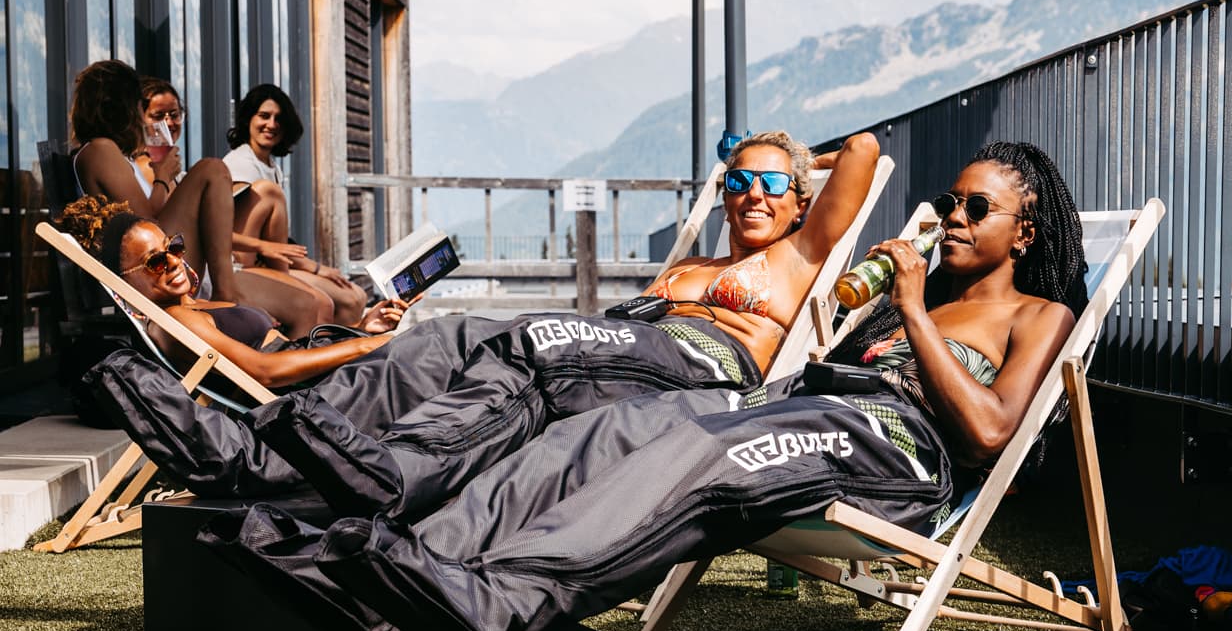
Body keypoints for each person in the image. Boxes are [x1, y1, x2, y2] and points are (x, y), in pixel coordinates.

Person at [211, 143, 1087, 631]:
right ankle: (396, 575)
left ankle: (505, 597)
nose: (956, 216)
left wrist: (904, 307)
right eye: (950, 201)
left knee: (697, 460)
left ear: (1028, 228)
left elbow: (986, 432)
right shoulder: (929, 296)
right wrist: (907, 302)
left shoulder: (1038, 313)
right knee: (607, 434)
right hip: (808, 406)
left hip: (889, 446)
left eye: (979, 206)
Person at [248, 128, 883, 519]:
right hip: (623, 343)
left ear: (802, 201)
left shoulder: (799, 253)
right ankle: (267, 456)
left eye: (773, 183)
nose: (754, 194)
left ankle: (396, 473)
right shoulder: (697, 262)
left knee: (534, 346)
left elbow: (865, 150)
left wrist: (799, 163)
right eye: (740, 181)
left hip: (702, 362)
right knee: (454, 334)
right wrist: (769, 167)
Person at [69, 61, 324, 338]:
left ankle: (228, 289)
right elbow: (144, 220)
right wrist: (164, 176)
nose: (141, 115)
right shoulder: (101, 149)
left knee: (210, 173)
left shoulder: (106, 152)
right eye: (138, 105)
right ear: (121, 107)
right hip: (149, 265)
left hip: (152, 259)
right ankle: (226, 288)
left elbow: (146, 215)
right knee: (211, 169)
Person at [56, 195, 412, 389]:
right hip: (315, 394)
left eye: (174, 248)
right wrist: (363, 346)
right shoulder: (173, 322)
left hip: (322, 377)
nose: (175, 262)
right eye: (155, 262)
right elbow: (263, 371)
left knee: (446, 346)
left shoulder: (191, 306)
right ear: (125, 281)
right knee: (443, 346)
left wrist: (364, 329)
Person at [225, 83, 367, 328]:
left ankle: (341, 355)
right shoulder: (239, 164)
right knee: (337, 301)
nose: (271, 124)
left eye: (279, 118)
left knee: (357, 296)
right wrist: (311, 269)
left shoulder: (272, 167)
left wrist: (317, 268)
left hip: (272, 261)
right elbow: (229, 232)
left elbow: (277, 244)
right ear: (248, 119)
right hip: (241, 265)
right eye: (264, 116)